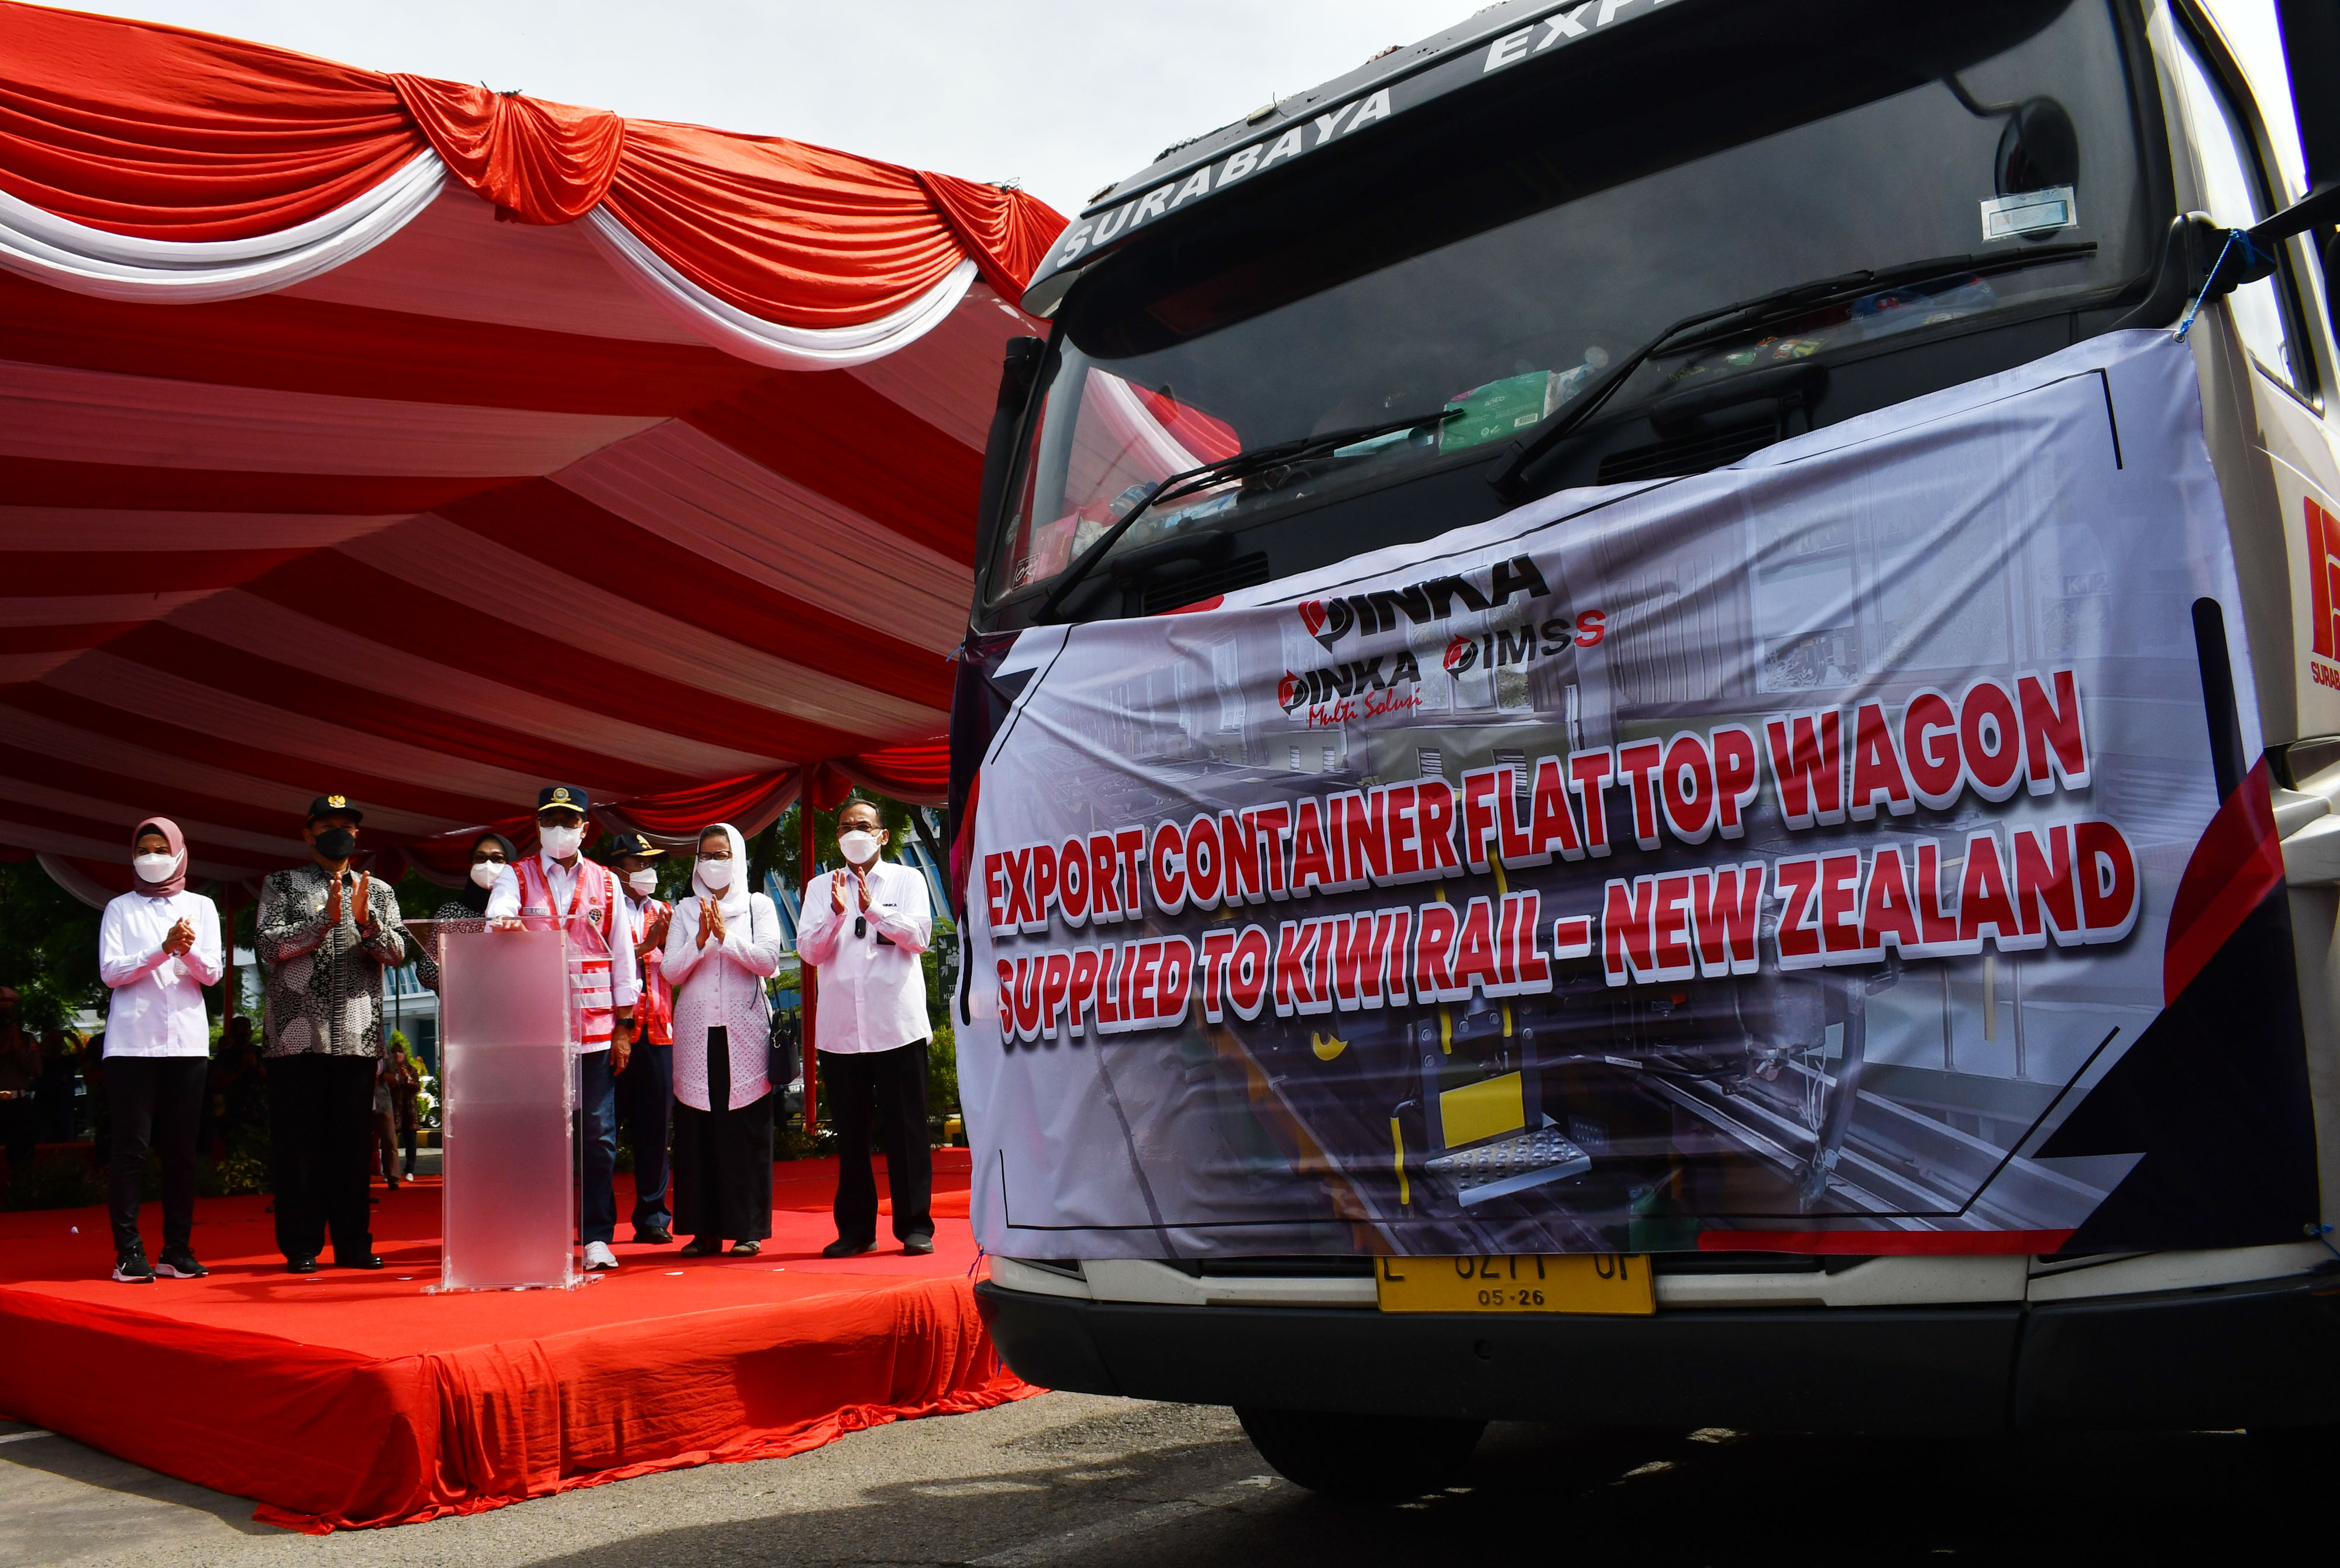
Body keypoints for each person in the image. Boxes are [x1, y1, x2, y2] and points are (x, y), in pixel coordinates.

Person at [484, 787, 640, 1271]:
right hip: (538, 1031)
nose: (559, 829)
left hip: (595, 1031)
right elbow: (497, 913)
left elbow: (623, 957)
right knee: (539, 1137)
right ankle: (538, 1235)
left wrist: (625, 1025)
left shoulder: (607, 883)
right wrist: (503, 922)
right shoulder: (517, 875)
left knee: (599, 1136)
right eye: (550, 819)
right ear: (537, 826)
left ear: (585, 828)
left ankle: (596, 1238)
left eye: (568, 821)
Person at [255, 794, 410, 1274]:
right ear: (308, 834)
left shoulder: (378, 890)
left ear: (358, 835)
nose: (338, 833)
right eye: (327, 826)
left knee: (351, 1146)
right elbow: (268, 946)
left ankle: (353, 1244)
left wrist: (367, 922)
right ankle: (301, 1245)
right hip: (295, 1037)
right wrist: (323, 921)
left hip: (356, 1038)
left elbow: (398, 952)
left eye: (346, 826)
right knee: (298, 1145)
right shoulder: (282, 884)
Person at [796, 797, 937, 1257]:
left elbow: (920, 937)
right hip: (841, 1031)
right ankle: (856, 1230)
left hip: (896, 1024)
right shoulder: (821, 887)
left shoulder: (907, 879)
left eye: (863, 825)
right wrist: (838, 914)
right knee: (851, 1135)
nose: (853, 832)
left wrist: (872, 909)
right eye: (845, 826)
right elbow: (809, 952)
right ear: (837, 837)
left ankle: (915, 1225)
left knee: (907, 1131)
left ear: (883, 835)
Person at [95, 819, 223, 1282]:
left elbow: (212, 973)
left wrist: (185, 952)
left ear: (179, 853)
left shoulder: (202, 906)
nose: (151, 857)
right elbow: (111, 972)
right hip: (132, 1042)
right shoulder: (119, 908)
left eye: (160, 848)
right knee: (130, 1148)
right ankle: (128, 1251)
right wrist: (162, 949)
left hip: (186, 1042)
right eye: (143, 849)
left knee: (181, 1151)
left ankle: (177, 1249)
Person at [661, 823, 784, 1257]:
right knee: (698, 1130)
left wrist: (726, 939)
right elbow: (670, 972)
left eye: (722, 854)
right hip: (697, 1035)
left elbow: (768, 960)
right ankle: (704, 1231)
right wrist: (699, 940)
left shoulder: (758, 905)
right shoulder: (684, 911)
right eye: (706, 855)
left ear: (738, 857)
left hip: (745, 1034)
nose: (713, 863)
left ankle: (747, 1228)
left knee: (745, 1129)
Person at [610, 832, 676, 1246]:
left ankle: (653, 1216)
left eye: (652, 863)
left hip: (659, 1031)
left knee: (655, 1130)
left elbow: (681, 967)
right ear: (618, 869)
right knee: (602, 1132)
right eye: (641, 863)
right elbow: (599, 960)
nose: (649, 870)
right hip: (613, 1033)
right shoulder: (601, 909)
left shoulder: (665, 910)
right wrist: (646, 946)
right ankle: (595, 1218)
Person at [412, 832, 514, 994]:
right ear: (471, 865)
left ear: (512, 864)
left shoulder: (524, 912)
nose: (488, 865)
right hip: (465, 1004)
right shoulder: (451, 914)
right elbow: (427, 972)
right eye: (480, 858)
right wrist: (470, 968)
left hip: (517, 1002)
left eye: (497, 859)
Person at [0, 987, 40, 1183]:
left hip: (18, 1104)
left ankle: (22, 1191)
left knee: (22, 1157)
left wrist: (17, 1048)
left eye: (8, 1013)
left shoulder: (26, 1039)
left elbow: (37, 1071)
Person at [374, 1038, 418, 1191]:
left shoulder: (407, 1067)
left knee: (393, 1141)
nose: (398, 1055)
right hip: (384, 1105)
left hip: (392, 1105)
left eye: (400, 1052)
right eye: (395, 1052)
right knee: (382, 1141)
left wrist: (403, 1078)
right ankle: (386, 1174)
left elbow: (411, 1085)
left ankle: (396, 1177)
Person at [36, 1028, 80, 1143]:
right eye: (54, 1043)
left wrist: (75, 1040)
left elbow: (83, 1059)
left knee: (66, 1144)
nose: (57, 1046)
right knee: (44, 1144)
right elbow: (34, 1057)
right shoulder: (43, 1062)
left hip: (65, 1110)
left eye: (59, 1043)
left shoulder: (68, 1061)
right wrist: (48, 1040)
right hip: (45, 1110)